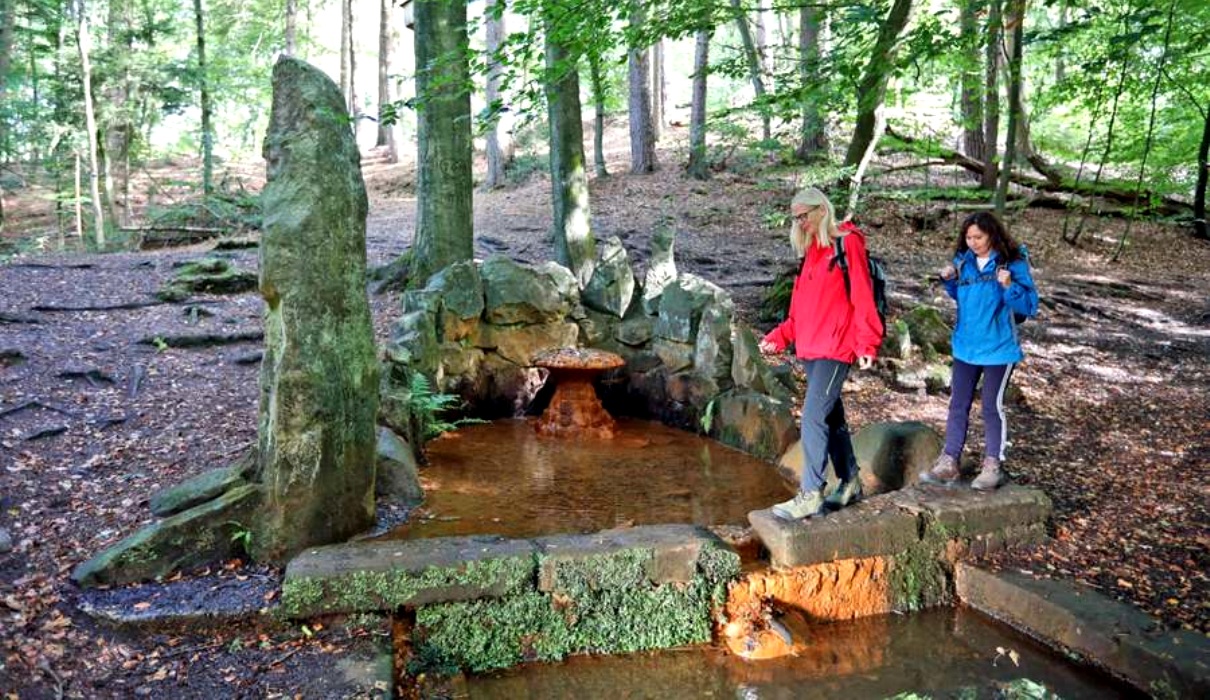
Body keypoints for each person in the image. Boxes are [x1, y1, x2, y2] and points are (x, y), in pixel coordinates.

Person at [759, 187, 883, 520]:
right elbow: (800, 310)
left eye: (805, 215)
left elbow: (861, 294)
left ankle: (811, 493)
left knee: (813, 415)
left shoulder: (847, 242)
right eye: (796, 218)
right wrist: (780, 336)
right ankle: (849, 481)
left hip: (837, 347)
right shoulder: (810, 252)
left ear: (821, 209)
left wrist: (867, 343)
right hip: (810, 348)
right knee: (832, 417)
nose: (801, 222)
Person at [920, 211, 1039, 490]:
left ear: (992, 235)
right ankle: (949, 461)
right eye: (969, 237)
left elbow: (1030, 306)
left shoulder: (1012, 263)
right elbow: (964, 296)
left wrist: (1009, 285)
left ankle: (992, 464)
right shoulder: (964, 262)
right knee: (957, 403)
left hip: (999, 348)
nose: (973, 242)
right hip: (965, 346)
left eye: (979, 237)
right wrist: (949, 280)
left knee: (990, 406)